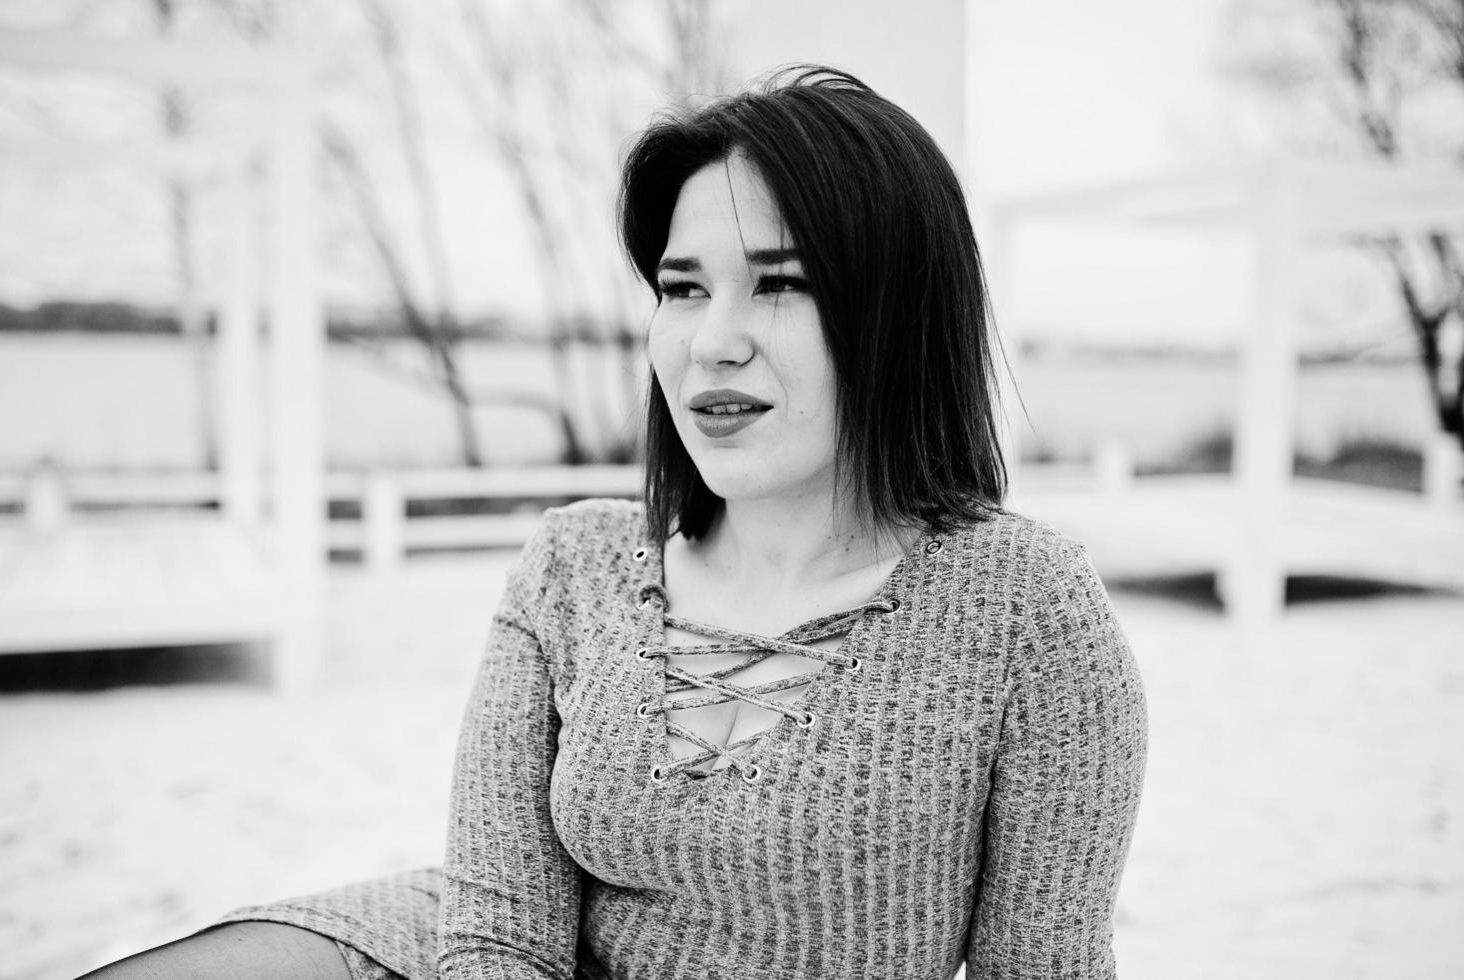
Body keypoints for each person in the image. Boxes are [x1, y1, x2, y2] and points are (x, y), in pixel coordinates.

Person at [83, 65, 1147, 980]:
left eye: (780, 285)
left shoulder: (1026, 610)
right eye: (682, 290)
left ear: (900, 313)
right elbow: (500, 924)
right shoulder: (576, 563)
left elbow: (1039, 964)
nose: (711, 342)